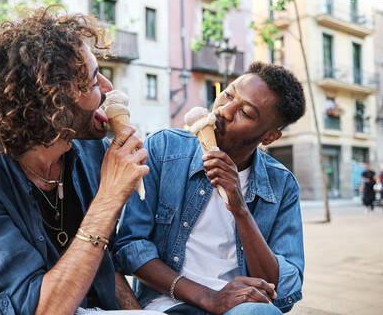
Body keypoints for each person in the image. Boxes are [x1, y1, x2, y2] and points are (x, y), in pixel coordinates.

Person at [0, 8, 162, 315]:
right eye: (95, 80)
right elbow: (39, 310)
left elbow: (100, 260)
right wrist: (108, 200)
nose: (109, 89)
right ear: (54, 102)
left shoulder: (91, 151)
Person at [114, 62, 306, 314]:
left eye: (245, 113)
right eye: (228, 94)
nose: (224, 110)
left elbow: (281, 287)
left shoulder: (282, 184)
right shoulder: (164, 150)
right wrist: (208, 297)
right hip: (169, 303)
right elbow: (130, 246)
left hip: (241, 307)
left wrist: (239, 209)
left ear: (269, 137)